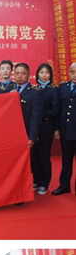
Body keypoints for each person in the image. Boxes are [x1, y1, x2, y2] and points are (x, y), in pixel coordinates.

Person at [29, 63, 60, 195]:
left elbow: (55, 110)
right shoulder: (34, 89)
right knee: (34, 157)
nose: (44, 75)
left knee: (44, 157)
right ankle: (36, 180)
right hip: (34, 129)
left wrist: (38, 114)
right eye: (41, 72)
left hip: (46, 129)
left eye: (47, 73)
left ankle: (44, 183)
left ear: (50, 75)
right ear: (37, 74)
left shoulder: (53, 90)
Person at [53, 62, 76, 196]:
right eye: (72, 72)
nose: (75, 75)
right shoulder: (62, 87)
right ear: (68, 73)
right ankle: (64, 185)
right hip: (65, 130)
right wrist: (57, 129)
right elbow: (58, 110)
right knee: (66, 160)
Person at [14, 63, 43, 152]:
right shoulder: (10, 90)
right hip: (13, 133)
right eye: (17, 73)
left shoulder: (35, 93)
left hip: (26, 133)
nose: (19, 76)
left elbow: (36, 117)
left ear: (28, 75)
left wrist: (32, 137)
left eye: (23, 73)